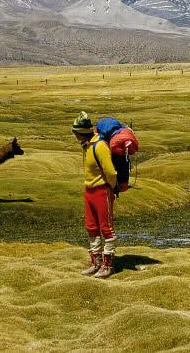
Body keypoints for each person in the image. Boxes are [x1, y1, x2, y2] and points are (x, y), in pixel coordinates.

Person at [72, 111, 118, 278]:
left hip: (102, 190)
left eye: (76, 133)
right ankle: (96, 262)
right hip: (89, 191)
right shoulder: (87, 147)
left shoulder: (99, 146)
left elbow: (111, 172)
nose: (75, 136)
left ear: (82, 133)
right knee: (91, 227)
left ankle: (107, 264)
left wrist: (110, 188)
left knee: (106, 228)